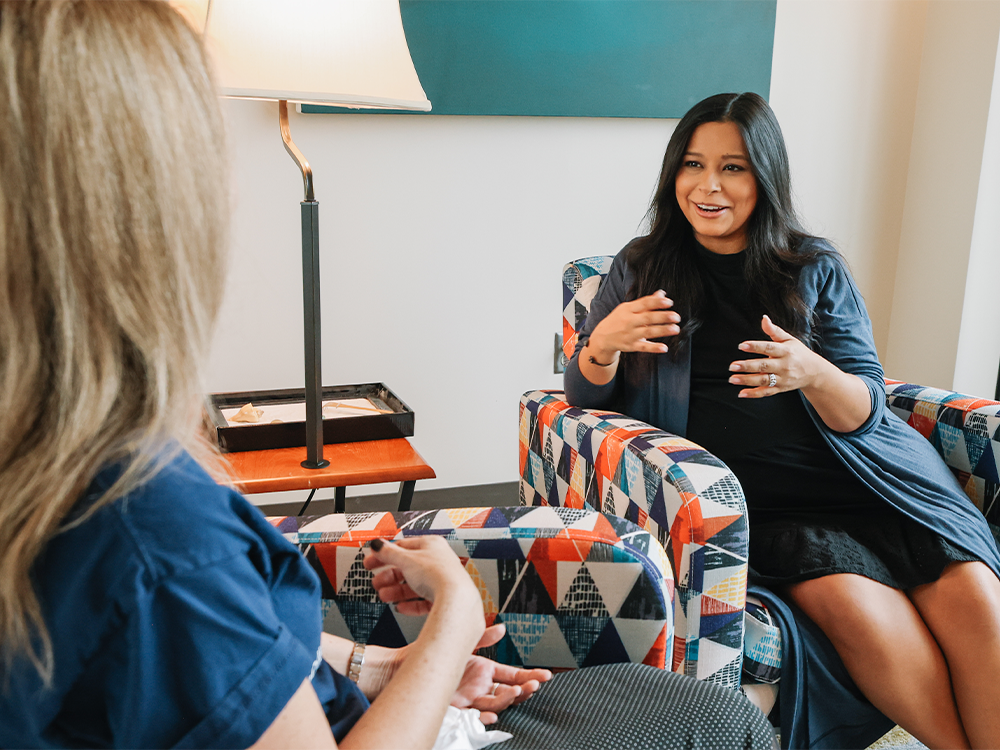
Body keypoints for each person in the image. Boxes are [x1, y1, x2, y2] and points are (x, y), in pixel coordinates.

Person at [0, 4, 777, 749]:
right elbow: (580, 392)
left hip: (375, 699)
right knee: (712, 715)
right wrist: (453, 621)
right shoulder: (157, 536)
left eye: (733, 168)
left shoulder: (74, 482)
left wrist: (384, 667)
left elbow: (227, 651)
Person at [564, 91, 1000, 750]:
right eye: (692, 164)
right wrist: (601, 345)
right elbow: (582, 404)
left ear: (764, 178)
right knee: (858, 609)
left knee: (975, 597)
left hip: (876, 491)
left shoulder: (812, 268)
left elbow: (869, 406)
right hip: (767, 516)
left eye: (733, 168)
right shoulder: (641, 268)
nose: (708, 186)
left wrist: (811, 371)